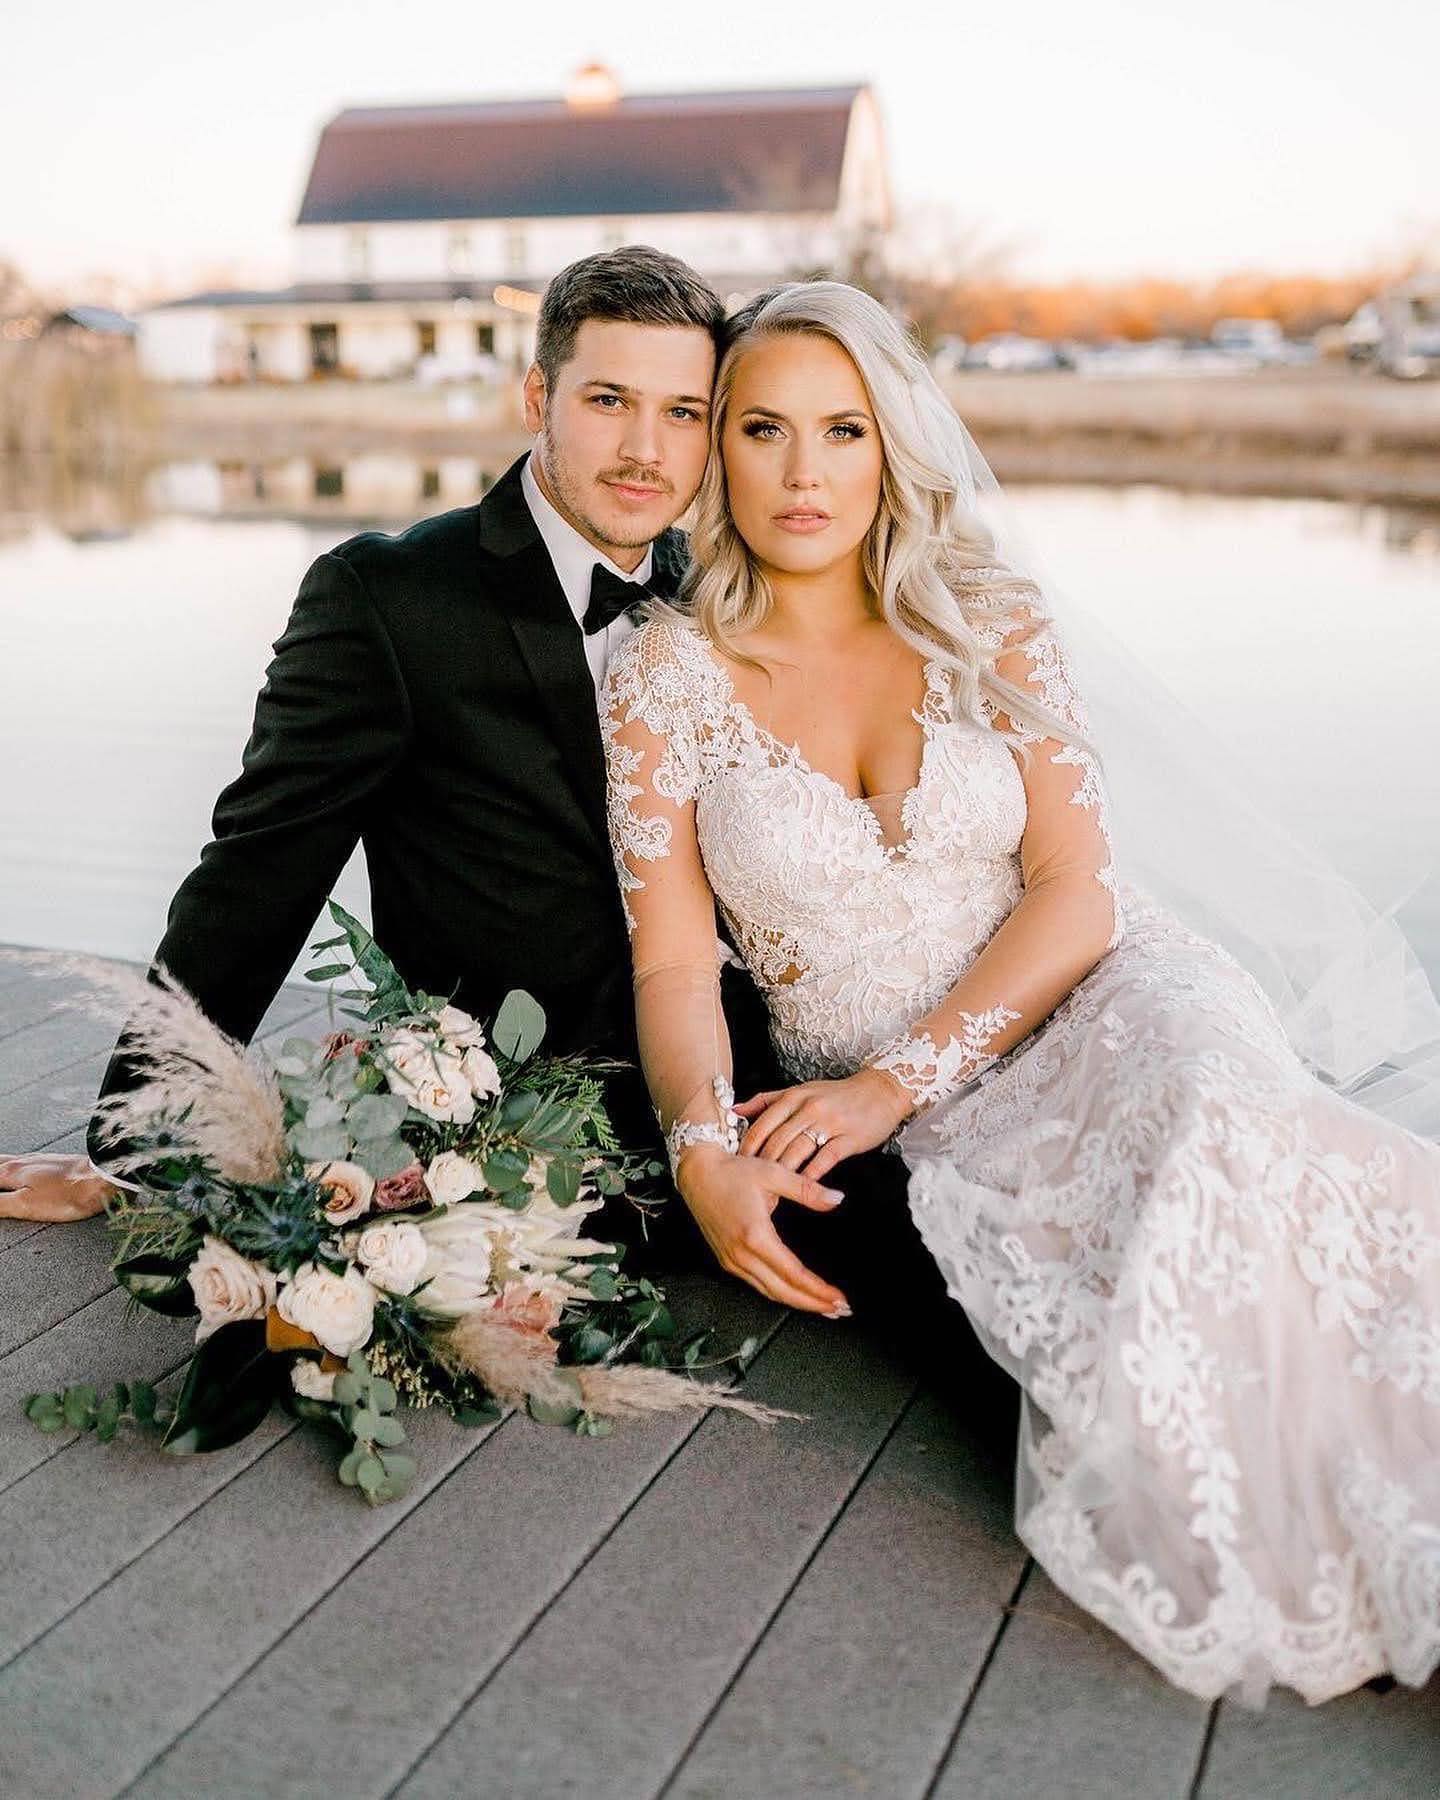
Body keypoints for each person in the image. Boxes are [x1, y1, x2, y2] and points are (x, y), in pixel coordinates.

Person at [598, 277, 1440, 1705]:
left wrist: (889, 1084)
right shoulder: (657, 677)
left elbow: (1078, 889)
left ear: (893, 445)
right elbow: (675, 962)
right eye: (765, 430)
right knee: (1127, 1325)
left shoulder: (985, 616)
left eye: (846, 432)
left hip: (1103, 993)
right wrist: (699, 1152)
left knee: (1218, 1132)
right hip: (924, 1115)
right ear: (717, 452)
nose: (807, 474)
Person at [1, 250, 1005, 1433]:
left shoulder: (728, 587)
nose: (648, 450)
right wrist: (130, 1150)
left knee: (1015, 1219)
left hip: (782, 1072)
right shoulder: (388, 599)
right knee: (959, 1286)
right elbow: (252, 876)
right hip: (546, 1122)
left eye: (684, 411)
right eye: (607, 402)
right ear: (536, 401)